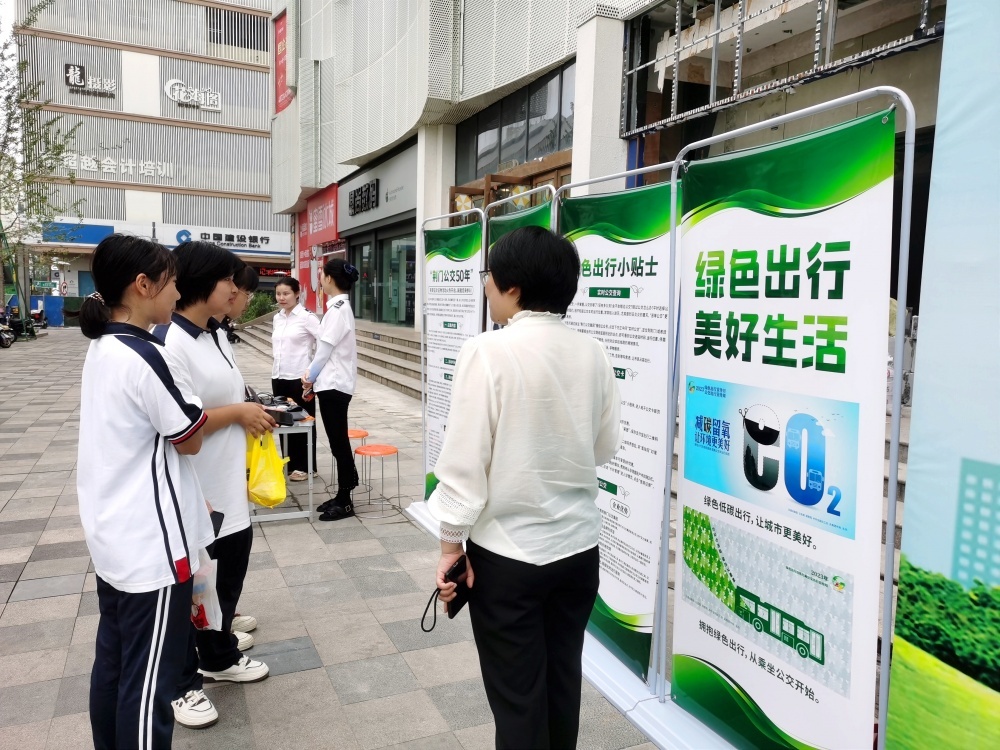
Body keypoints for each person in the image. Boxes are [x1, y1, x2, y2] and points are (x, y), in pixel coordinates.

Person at [428, 226, 621, 750]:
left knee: (518, 700)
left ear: (512, 286)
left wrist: (450, 549)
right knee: (562, 684)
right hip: (578, 551)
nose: (485, 286)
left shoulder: (487, 351)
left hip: (508, 557)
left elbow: (464, 465)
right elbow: (604, 447)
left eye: (488, 276)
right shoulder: (593, 352)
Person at [78, 234, 213, 749]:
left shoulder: (103, 346)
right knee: (150, 684)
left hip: (114, 539)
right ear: (143, 285)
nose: (177, 293)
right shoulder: (148, 354)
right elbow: (190, 438)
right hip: (151, 550)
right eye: (172, 282)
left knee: (113, 667)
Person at [154, 241, 275, 730]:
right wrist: (239, 412)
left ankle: (218, 657)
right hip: (197, 488)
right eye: (228, 279)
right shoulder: (171, 343)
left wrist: (248, 410)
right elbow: (184, 424)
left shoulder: (214, 334)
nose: (236, 288)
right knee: (192, 589)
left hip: (229, 484)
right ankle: (183, 685)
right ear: (202, 282)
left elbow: (224, 396)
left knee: (226, 580)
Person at [302, 259, 360, 521]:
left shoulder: (338, 310)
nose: (320, 280)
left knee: (338, 442)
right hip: (332, 384)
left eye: (321, 276)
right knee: (337, 442)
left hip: (334, 385)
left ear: (328, 279)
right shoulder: (339, 308)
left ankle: (346, 499)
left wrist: (308, 378)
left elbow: (323, 352)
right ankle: (342, 493)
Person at [271, 276, 320, 480]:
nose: (281, 298)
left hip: (300, 379)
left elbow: (324, 344)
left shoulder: (307, 317)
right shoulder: (278, 318)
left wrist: (312, 370)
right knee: (284, 421)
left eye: (286, 293)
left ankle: (307, 467)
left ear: (297, 294)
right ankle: (290, 464)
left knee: (304, 421)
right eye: (278, 294)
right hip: (279, 376)